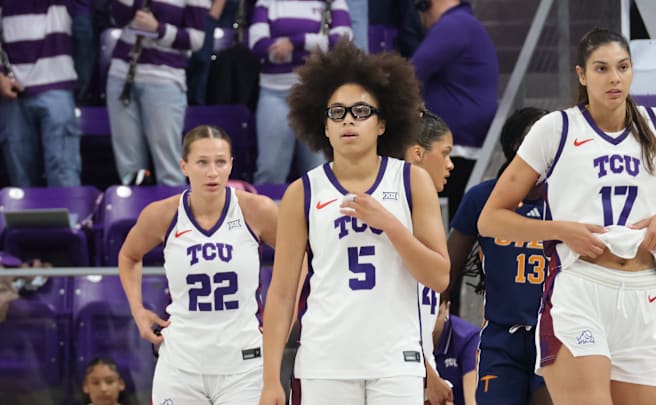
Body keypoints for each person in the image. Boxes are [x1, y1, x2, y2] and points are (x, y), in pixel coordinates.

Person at [477, 28, 656, 405]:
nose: (614, 78)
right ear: (582, 75)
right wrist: (560, 230)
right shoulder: (556, 128)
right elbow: (491, 219)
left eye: (623, 67)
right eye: (601, 68)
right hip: (581, 289)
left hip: (643, 293)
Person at [259, 39, 450, 405]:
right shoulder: (303, 192)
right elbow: (282, 294)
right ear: (325, 128)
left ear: (382, 124)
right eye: (337, 112)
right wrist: (270, 378)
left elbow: (439, 277)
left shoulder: (412, 181)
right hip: (324, 363)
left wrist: (392, 226)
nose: (348, 119)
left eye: (361, 111)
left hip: (396, 362)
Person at [118, 125, 279, 404]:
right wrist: (138, 309)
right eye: (202, 162)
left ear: (231, 165)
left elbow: (299, 256)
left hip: (244, 364)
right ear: (184, 166)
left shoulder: (257, 210)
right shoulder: (162, 215)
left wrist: (282, 314)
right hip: (181, 364)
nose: (212, 172)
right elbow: (129, 256)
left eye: (220, 162)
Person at [447, 107, 553, 405]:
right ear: (519, 147)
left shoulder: (567, 199)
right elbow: (447, 272)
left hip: (554, 333)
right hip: (501, 339)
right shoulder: (483, 198)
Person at [412, 0, 499, 223]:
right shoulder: (465, 24)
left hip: (455, 147)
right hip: (462, 145)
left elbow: (409, 75)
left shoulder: (455, 25)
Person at [106, 0, 210, 186]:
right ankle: (135, 214)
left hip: (164, 79)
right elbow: (117, 18)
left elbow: (196, 40)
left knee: (168, 167)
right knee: (129, 168)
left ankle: (175, 214)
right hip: (121, 75)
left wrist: (158, 29)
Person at [249, 0, 353, 184]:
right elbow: (258, 45)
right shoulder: (267, 3)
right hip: (275, 94)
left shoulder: (333, 2)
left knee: (319, 172)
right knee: (270, 171)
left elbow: (343, 42)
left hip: (317, 96)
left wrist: (294, 42)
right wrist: (312, 52)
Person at [403, 109, 455, 405]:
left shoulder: (424, 215)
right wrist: (427, 375)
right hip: (400, 370)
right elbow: (388, 315)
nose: (450, 165)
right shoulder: (398, 214)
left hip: (418, 367)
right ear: (417, 153)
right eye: (445, 153)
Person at [0, 0, 82, 187]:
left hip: (56, 85)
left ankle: (70, 215)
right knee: (20, 178)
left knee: (63, 170)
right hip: (12, 90)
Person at [432, 298, 480, 405]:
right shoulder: (407, 336)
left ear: (447, 309)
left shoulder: (468, 338)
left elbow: (471, 400)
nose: (431, 323)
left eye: (437, 314)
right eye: (427, 315)